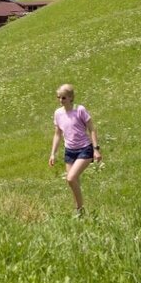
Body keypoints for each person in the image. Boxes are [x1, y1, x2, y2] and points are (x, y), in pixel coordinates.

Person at [48, 84, 101, 216]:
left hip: (84, 149)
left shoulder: (80, 110)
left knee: (70, 178)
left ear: (71, 98)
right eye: (59, 97)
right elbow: (57, 134)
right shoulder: (58, 113)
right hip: (70, 151)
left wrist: (96, 149)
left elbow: (92, 129)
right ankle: (81, 213)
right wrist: (53, 154)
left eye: (64, 97)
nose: (61, 100)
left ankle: (79, 210)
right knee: (73, 182)